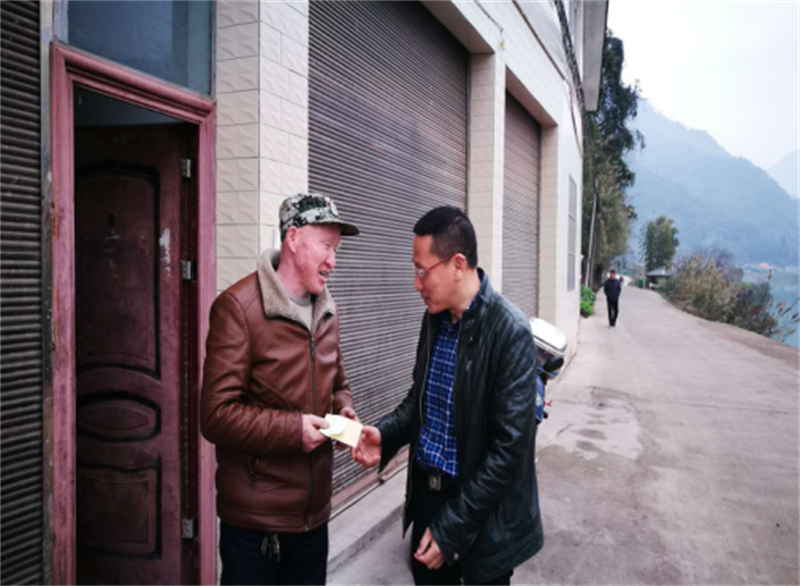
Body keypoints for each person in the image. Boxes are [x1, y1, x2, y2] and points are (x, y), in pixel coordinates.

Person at [353, 206, 543, 586]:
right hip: (428, 502)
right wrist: (386, 435)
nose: (416, 283)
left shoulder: (510, 331)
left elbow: (510, 451)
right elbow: (421, 400)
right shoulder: (434, 319)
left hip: (480, 517)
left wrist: (453, 527)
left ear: (458, 265)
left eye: (422, 271)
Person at [201, 192, 360, 586]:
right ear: (293, 237)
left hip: (313, 521)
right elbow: (215, 415)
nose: (333, 261)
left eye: (336, 249)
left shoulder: (327, 309)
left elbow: (338, 383)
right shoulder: (238, 308)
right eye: (326, 246)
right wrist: (293, 431)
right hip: (256, 527)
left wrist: (344, 412)